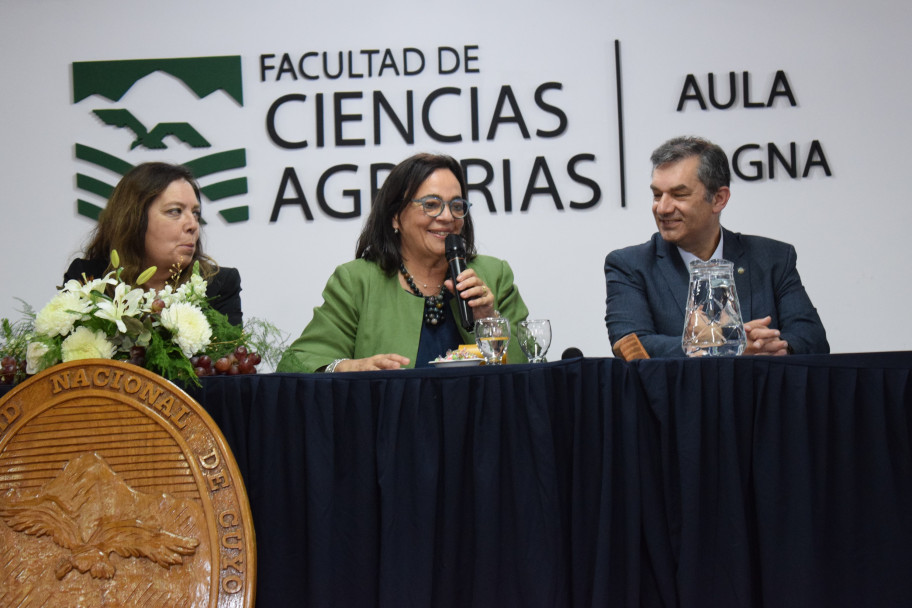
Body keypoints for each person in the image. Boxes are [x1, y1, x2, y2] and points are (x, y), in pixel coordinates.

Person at [277, 153, 529, 373]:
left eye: (456, 205)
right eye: (431, 205)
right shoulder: (357, 282)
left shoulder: (494, 275)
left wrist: (489, 321)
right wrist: (346, 366)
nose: (447, 217)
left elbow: (531, 371)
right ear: (395, 216)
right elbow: (297, 362)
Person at [604, 136, 828, 357]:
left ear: (719, 199)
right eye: (656, 195)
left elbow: (812, 337)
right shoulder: (631, 266)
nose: (662, 208)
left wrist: (776, 348)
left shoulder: (773, 258)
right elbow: (631, 345)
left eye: (679, 195)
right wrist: (726, 345)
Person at [63, 162, 243, 325]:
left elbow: (230, 358)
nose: (193, 225)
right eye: (175, 211)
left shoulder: (218, 286)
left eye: (195, 213)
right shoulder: (89, 279)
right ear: (135, 220)